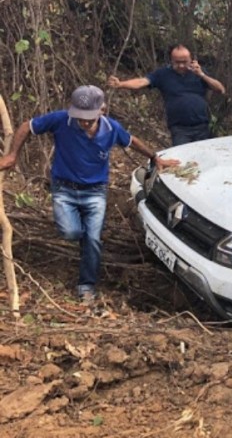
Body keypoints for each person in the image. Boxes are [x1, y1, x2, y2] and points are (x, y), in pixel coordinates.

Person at [0, 85, 179, 304]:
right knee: (71, 232)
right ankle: (86, 245)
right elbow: (27, 126)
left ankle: (86, 286)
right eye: (80, 117)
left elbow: (131, 141)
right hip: (64, 189)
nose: (83, 122)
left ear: (102, 110)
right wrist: (12, 155)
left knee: (93, 239)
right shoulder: (61, 120)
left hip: (95, 192)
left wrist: (155, 158)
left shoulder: (112, 129)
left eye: (88, 118)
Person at [107, 44, 225, 146]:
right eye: (177, 62)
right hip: (180, 129)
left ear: (191, 60)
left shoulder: (199, 73)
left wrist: (201, 75)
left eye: (184, 62)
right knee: (183, 160)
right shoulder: (163, 74)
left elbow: (220, 89)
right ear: (171, 60)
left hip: (202, 126)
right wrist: (121, 84)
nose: (181, 66)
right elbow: (142, 82)